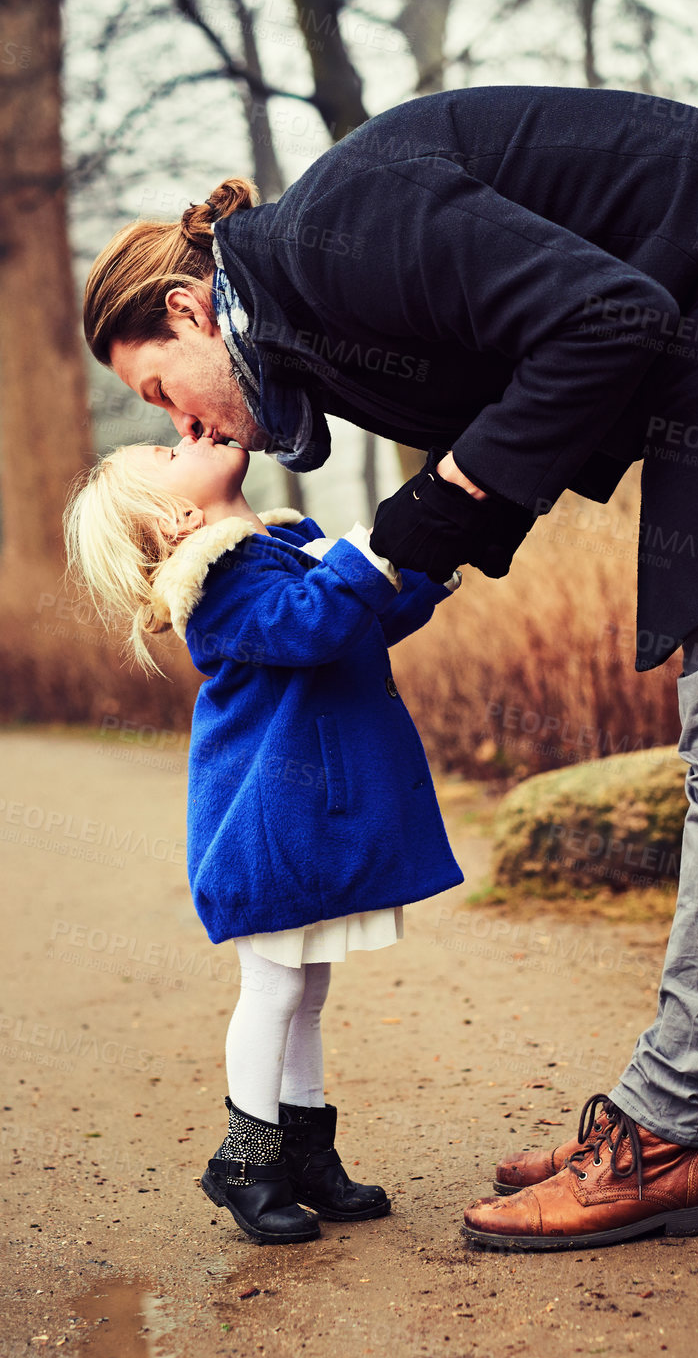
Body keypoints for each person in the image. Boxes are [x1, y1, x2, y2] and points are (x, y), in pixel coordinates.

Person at [81, 84, 698, 1250]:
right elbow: (541, 353)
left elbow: (606, 317)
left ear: (189, 309)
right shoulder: (319, 296)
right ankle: (689, 1112)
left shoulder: (348, 230)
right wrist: (441, 526)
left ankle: (672, 1125)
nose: (183, 427)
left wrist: (449, 497)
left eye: (161, 391)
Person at [62, 431, 465, 1243]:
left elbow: (357, 624)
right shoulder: (215, 583)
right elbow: (310, 624)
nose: (190, 434)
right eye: (168, 452)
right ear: (177, 520)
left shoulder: (275, 546)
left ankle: (307, 1150)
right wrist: (374, 547)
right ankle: (246, 1159)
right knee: (276, 989)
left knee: (306, 988)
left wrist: (430, 560)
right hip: (265, 824)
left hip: (303, 817)